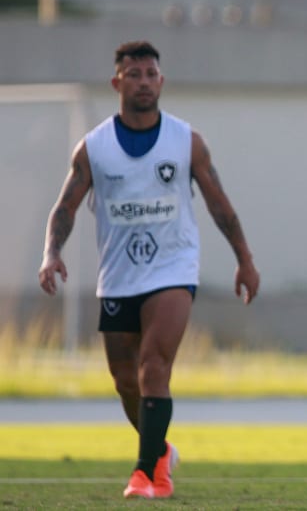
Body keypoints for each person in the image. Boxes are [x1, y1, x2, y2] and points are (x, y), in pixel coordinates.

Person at [38, 40, 260, 499]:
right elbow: (65, 207)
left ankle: (149, 474)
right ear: (117, 82)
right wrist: (51, 253)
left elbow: (220, 205)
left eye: (151, 74)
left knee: (154, 366)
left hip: (173, 269)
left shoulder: (186, 141)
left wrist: (245, 259)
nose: (143, 81)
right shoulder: (94, 147)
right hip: (118, 275)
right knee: (126, 381)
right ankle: (160, 449)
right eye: (134, 74)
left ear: (161, 81)